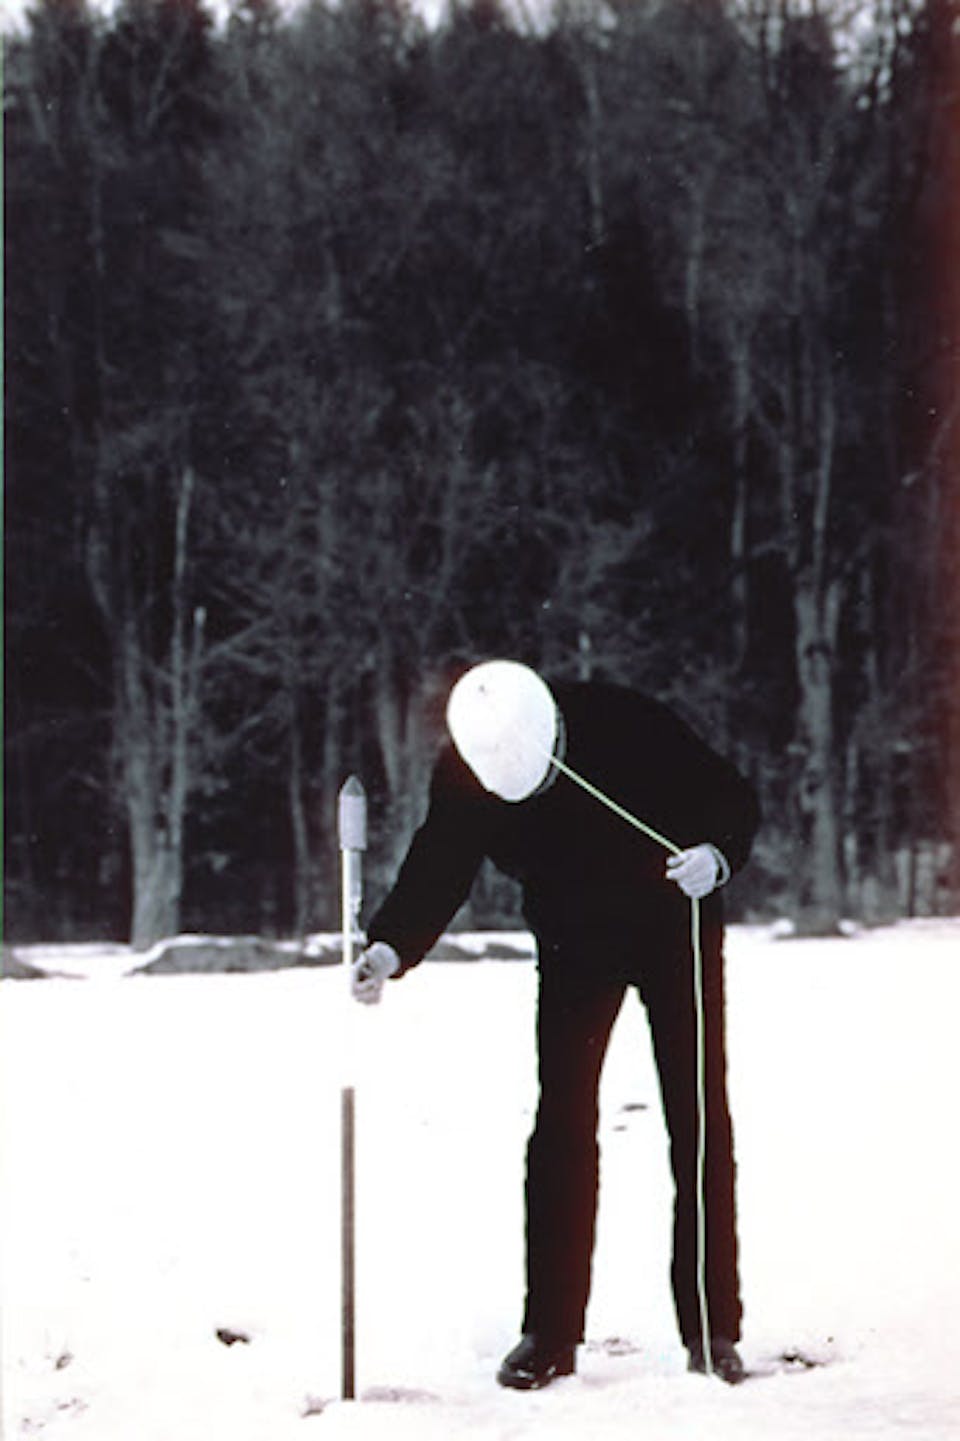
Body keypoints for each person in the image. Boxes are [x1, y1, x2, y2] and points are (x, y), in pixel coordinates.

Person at [351, 660, 760, 1389]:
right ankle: (549, 1332)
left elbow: (731, 795)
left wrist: (718, 856)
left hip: (676, 924)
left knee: (697, 1117)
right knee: (562, 1123)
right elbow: (441, 860)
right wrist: (390, 948)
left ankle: (711, 1327)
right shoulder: (467, 764)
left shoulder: (626, 719)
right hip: (574, 941)